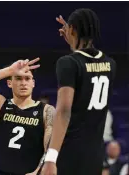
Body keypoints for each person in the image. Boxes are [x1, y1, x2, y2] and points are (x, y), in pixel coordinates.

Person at [41, 8, 116, 175]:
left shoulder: (67, 63)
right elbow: (87, 64)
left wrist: (51, 158)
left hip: (70, 152)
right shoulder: (110, 64)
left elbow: (64, 111)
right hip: (95, 154)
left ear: (72, 30)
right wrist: (74, 41)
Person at [0, 58, 55, 175]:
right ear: (9, 83)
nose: (23, 83)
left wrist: (37, 172)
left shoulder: (46, 110)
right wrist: (9, 71)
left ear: (33, 83)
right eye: (18, 78)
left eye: (27, 78)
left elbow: (50, 147)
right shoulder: (0, 105)